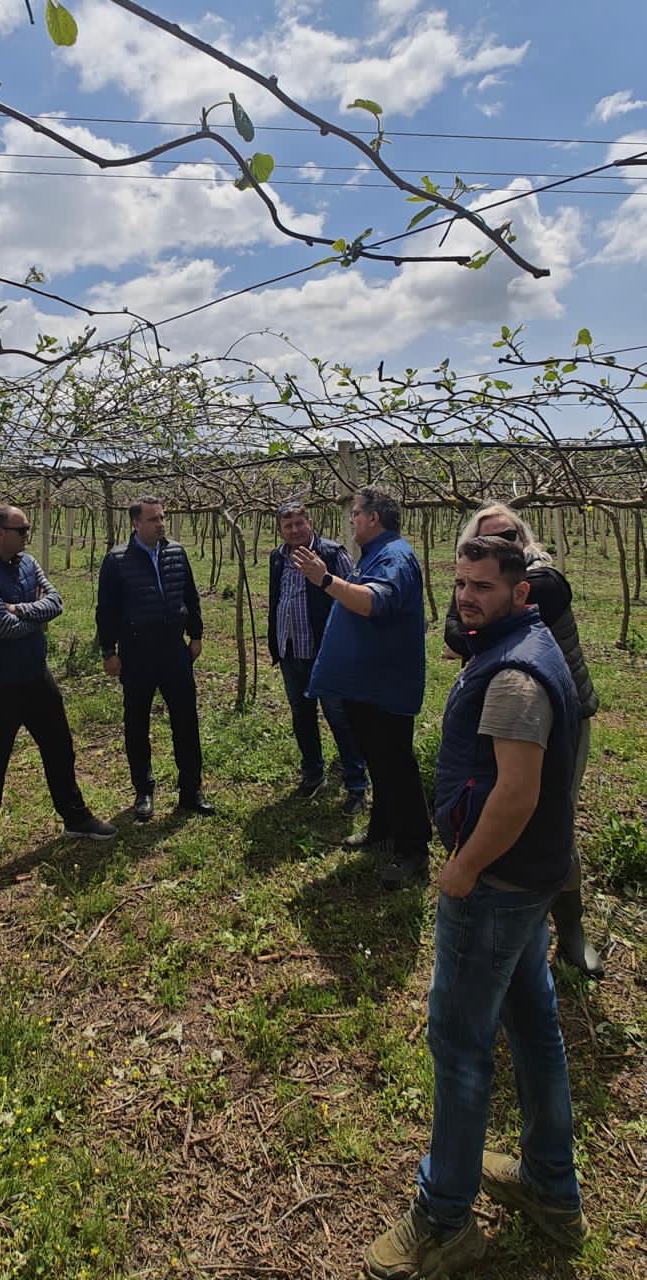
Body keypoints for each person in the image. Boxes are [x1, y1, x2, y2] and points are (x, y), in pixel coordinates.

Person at [364, 535, 586, 1280]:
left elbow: (515, 795)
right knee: (533, 1023)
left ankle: (443, 1221)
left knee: (460, 1048)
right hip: (527, 882)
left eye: (483, 587)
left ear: (521, 592)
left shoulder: (515, 676)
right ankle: (550, 1184)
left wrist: (462, 869)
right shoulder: (519, 646)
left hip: (495, 885)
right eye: (460, 583)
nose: (466, 598)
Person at [442, 502, 603, 979]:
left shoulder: (543, 579)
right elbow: (456, 631)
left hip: (563, 714)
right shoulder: (486, 586)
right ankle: (526, 921)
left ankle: (570, 929)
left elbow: (463, 633)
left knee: (552, 816)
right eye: (487, 536)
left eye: (508, 535)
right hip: (504, 712)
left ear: (523, 537)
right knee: (507, 803)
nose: (501, 543)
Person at [0, 505, 116, 878]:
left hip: (36, 676)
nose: (28, 535)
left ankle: (75, 817)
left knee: (60, 748)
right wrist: (36, 616)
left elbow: (56, 602)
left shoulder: (28, 563)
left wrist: (19, 609)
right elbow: (1, 627)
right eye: (22, 529)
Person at [296, 487, 431, 889]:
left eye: (356, 512)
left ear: (373, 517)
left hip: (384, 686)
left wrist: (325, 579)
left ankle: (414, 850)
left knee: (396, 766)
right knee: (381, 762)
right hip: (367, 684)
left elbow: (374, 602)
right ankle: (383, 829)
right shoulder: (376, 554)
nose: (351, 519)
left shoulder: (395, 557)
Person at [96, 496, 214, 822]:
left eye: (162, 517)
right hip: (137, 653)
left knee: (186, 722)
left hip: (174, 650)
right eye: (153, 519)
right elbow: (106, 610)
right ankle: (144, 790)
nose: (161, 523)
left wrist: (196, 635)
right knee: (137, 724)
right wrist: (109, 651)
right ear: (136, 523)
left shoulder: (176, 551)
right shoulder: (117, 559)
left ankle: (191, 790)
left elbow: (190, 595)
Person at [268, 501, 368, 808]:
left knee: (340, 718)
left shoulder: (332, 554)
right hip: (290, 651)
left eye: (300, 523)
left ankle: (356, 784)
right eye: (288, 526)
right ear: (280, 530)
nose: (295, 530)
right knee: (302, 716)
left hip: (326, 654)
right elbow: (277, 599)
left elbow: (353, 597)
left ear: (310, 523)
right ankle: (313, 773)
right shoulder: (277, 557)